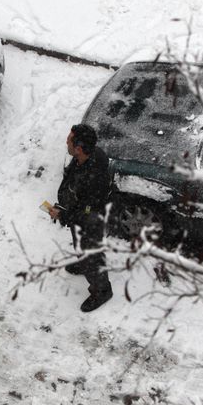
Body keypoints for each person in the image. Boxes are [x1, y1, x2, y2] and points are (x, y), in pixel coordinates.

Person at [48, 124, 114, 312]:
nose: (65, 141)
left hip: (91, 221)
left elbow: (88, 213)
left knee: (91, 254)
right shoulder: (85, 156)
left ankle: (102, 290)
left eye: (69, 140)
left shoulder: (94, 179)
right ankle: (83, 262)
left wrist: (63, 214)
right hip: (81, 215)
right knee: (80, 245)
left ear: (78, 148)